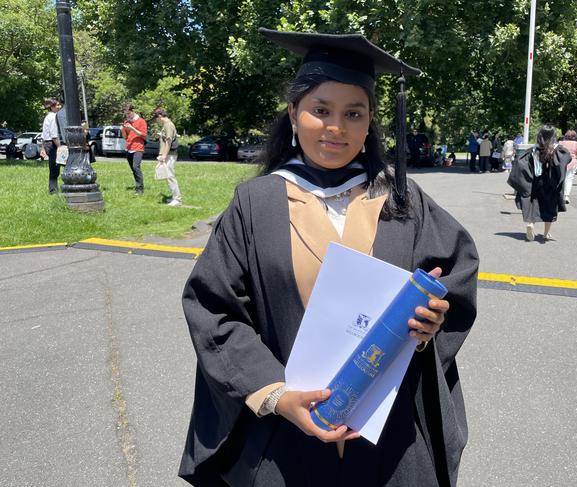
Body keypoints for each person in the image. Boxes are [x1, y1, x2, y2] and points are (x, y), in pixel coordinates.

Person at [179, 28, 479, 487]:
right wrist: (277, 396)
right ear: (294, 114)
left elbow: (455, 276)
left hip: (389, 436)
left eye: (353, 113)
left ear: (370, 121)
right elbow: (214, 308)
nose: (336, 127)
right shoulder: (255, 204)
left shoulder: (401, 198)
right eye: (321, 110)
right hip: (286, 437)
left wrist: (430, 323)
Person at [507, 125, 571, 242]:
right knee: (550, 206)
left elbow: (522, 164)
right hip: (551, 183)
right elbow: (567, 158)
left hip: (536, 181)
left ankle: (531, 224)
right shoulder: (557, 149)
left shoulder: (533, 150)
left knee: (534, 203)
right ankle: (546, 233)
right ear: (553, 136)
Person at [154, 108, 181, 206]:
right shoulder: (166, 125)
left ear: (160, 116)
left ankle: (177, 200)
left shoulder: (168, 125)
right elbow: (167, 137)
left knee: (170, 176)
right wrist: (161, 135)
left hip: (170, 154)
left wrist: (164, 155)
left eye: (156, 118)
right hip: (168, 153)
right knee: (168, 176)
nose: (156, 121)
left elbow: (169, 141)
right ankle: (174, 197)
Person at [121, 104, 148, 194]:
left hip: (138, 147)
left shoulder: (141, 121)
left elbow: (143, 135)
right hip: (129, 148)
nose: (127, 116)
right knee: (133, 169)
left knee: (136, 167)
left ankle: (140, 189)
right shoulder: (127, 122)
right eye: (126, 114)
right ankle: (137, 185)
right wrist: (122, 130)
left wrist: (132, 128)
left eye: (128, 113)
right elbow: (125, 137)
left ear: (133, 111)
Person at [39, 98, 61, 193]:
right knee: (55, 167)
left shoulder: (48, 117)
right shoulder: (53, 117)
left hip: (48, 144)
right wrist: (60, 147)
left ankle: (54, 188)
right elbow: (54, 135)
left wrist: (43, 148)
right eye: (57, 105)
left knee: (54, 167)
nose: (59, 107)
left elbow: (43, 135)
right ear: (51, 107)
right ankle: (53, 189)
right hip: (53, 144)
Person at [559, 130, 577, 204]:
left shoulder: (561, 143)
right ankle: (566, 196)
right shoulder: (576, 144)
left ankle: (559, 195)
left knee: (560, 178)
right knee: (569, 179)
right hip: (572, 162)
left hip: (561, 162)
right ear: (574, 137)